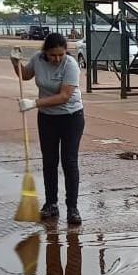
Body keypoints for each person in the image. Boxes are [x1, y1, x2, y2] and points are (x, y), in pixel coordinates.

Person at [13, 33, 85, 225]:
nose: (57, 59)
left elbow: (64, 96)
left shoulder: (70, 64)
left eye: (60, 55)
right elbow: (25, 75)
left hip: (71, 117)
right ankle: (51, 204)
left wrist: (33, 103)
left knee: (69, 161)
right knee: (49, 161)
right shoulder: (38, 59)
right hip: (47, 119)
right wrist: (15, 61)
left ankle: (72, 207)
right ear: (45, 52)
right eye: (53, 55)